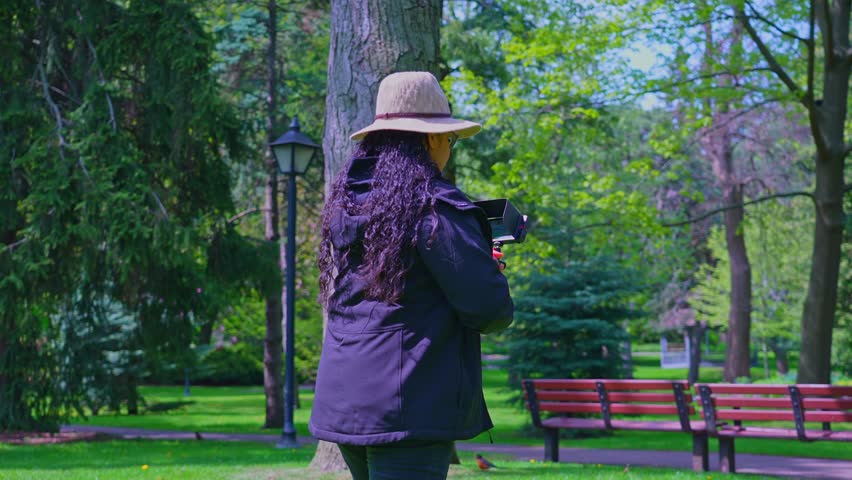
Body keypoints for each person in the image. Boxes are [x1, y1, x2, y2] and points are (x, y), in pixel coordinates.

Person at [309, 71, 514, 480]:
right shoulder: (434, 208)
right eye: (450, 140)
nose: (449, 149)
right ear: (431, 139)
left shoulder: (351, 204)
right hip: (407, 405)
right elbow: (490, 310)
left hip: (346, 401)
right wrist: (487, 269)